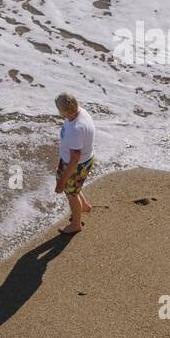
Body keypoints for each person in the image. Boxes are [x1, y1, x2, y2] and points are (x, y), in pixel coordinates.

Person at [54, 92, 95, 234]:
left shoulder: (76, 129)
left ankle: (76, 224)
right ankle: (84, 206)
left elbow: (75, 158)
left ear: (64, 111)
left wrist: (62, 182)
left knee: (71, 194)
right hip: (86, 159)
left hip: (76, 165)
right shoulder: (80, 112)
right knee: (75, 188)